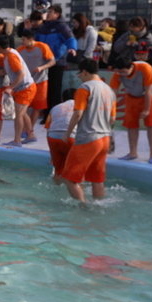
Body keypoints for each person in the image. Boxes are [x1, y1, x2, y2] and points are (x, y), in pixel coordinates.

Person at [61, 58, 117, 202]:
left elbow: (78, 113)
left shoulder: (85, 88)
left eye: (80, 73)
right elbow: (112, 119)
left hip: (88, 138)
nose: (79, 77)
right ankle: (99, 206)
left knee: (69, 179)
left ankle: (83, 208)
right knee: (96, 179)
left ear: (85, 71)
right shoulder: (109, 90)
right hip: (104, 139)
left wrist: (67, 134)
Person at [110, 56, 152, 164]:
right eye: (120, 73)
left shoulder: (145, 68)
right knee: (131, 123)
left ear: (131, 67)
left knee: (151, 123)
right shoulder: (117, 73)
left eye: (124, 72)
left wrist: (147, 109)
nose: (122, 75)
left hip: (151, 94)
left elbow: (148, 91)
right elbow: (113, 92)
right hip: (131, 95)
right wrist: (111, 110)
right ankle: (132, 152)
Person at [0, 36, 37, 147]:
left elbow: (21, 74)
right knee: (23, 113)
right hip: (22, 88)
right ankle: (31, 135)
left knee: (18, 114)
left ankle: (17, 140)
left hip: (26, 88)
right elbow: (6, 71)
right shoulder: (6, 55)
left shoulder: (11, 56)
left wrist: (11, 87)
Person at [34, 4, 77, 113]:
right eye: (48, 11)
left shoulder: (62, 27)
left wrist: (72, 48)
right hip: (43, 63)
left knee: (55, 89)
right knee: (45, 90)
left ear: (57, 14)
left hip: (57, 62)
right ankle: (45, 114)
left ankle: (55, 114)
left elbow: (70, 38)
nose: (48, 14)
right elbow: (35, 42)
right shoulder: (43, 27)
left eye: (51, 12)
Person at [17, 29, 56, 135]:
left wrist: (42, 67)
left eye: (24, 39)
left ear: (30, 39)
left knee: (37, 107)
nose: (22, 42)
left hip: (40, 81)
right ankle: (25, 127)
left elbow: (53, 61)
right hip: (26, 83)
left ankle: (29, 129)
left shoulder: (42, 47)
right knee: (22, 107)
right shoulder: (20, 50)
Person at [44, 88, 76, 184]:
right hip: (70, 138)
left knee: (58, 171)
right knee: (76, 170)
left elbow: (48, 129)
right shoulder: (81, 106)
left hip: (53, 139)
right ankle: (80, 196)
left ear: (62, 99)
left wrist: (52, 154)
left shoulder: (55, 108)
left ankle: (55, 192)